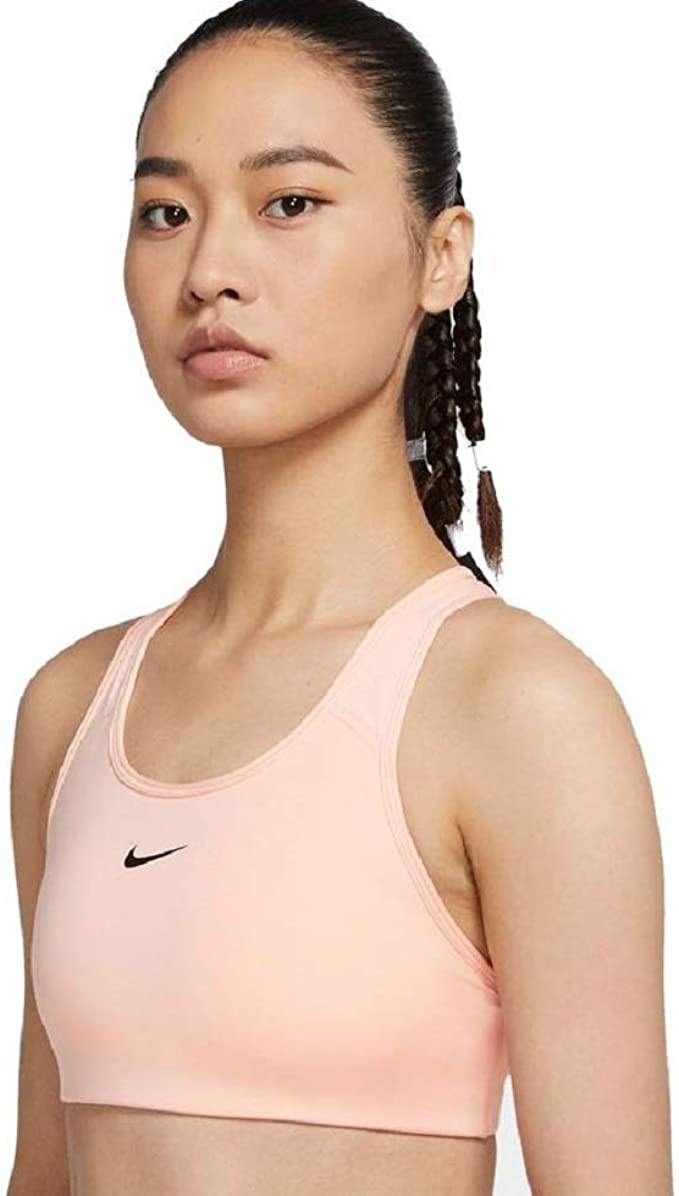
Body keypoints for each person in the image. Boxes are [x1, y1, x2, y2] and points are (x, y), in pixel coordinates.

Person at [8, 2, 672, 1194]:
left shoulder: (515, 708)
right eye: (166, 212)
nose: (209, 271)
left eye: (289, 203)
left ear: (440, 255)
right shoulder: (72, 706)